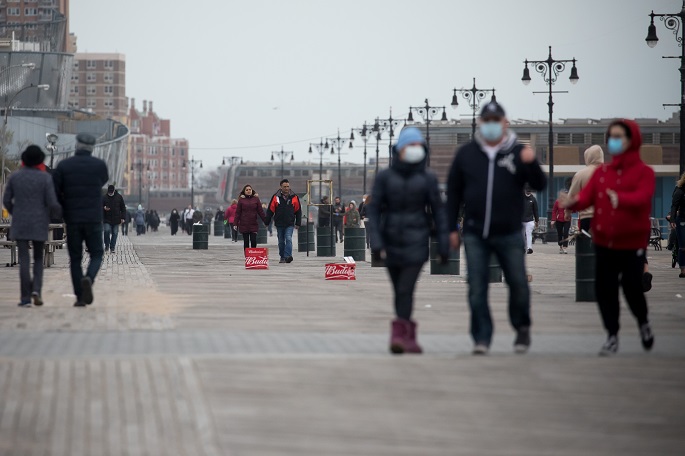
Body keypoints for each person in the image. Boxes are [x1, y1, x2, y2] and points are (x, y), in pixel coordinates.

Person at [447, 101, 546, 355]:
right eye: (487, 120)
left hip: (509, 232)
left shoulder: (517, 152)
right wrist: (450, 228)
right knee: (476, 287)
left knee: (517, 283)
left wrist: (531, 163)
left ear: (504, 123)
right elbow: (454, 193)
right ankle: (481, 337)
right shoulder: (467, 154)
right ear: (480, 123)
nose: (491, 125)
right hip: (475, 232)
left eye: (496, 120)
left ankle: (521, 327)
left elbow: (540, 183)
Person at [561, 119, 655, 356]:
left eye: (619, 137)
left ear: (631, 140)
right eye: (611, 137)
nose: (614, 141)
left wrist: (620, 199)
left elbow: (642, 198)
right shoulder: (602, 173)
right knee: (605, 289)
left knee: (631, 288)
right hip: (605, 240)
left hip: (631, 240)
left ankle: (643, 322)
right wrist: (571, 203)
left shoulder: (644, 173)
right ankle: (612, 335)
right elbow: (586, 198)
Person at [368, 127, 449, 354]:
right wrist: (376, 242)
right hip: (391, 241)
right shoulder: (385, 177)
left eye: (418, 146)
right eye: (410, 145)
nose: (414, 149)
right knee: (399, 290)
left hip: (417, 240)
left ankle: (398, 334)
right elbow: (373, 210)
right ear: (400, 149)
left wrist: (443, 244)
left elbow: (439, 211)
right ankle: (409, 336)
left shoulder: (428, 178)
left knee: (405, 287)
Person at [52, 133, 109, 307]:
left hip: (73, 219)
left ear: (76, 145)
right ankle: (89, 278)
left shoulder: (64, 166)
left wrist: (64, 208)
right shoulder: (99, 165)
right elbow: (103, 181)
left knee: (75, 258)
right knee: (97, 253)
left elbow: (55, 191)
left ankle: (79, 297)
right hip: (93, 218)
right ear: (92, 148)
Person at [2, 145, 62, 307]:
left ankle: (25, 298)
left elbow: (6, 200)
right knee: (38, 258)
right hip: (40, 222)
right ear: (40, 160)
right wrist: (60, 213)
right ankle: (36, 290)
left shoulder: (15, 177)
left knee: (24, 259)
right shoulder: (45, 178)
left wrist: (15, 212)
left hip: (20, 223)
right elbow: (52, 202)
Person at [567, 145, 604, 232]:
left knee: (586, 240)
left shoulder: (581, 174)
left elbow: (572, 196)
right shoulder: (609, 172)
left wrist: (567, 212)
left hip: (587, 217)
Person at [265, 179, 302, 264]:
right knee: (281, 241)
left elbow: (298, 211)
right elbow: (270, 210)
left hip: (290, 223)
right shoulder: (276, 197)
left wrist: (298, 223)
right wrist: (267, 222)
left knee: (288, 238)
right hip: (279, 223)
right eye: (284, 187)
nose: (286, 188)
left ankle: (288, 256)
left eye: (288, 186)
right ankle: (282, 257)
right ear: (280, 187)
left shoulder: (294, 197)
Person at [234, 184, 267, 253]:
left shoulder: (256, 199)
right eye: (247, 190)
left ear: (252, 190)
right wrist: (235, 223)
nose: (248, 191)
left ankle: (253, 255)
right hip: (244, 224)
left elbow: (260, 211)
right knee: (246, 242)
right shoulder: (241, 200)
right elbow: (238, 213)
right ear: (244, 191)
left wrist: (265, 221)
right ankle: (247, 256)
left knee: (253, 240)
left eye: (250, 189)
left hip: (253, 223)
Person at [102, 184, 126, 254]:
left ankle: (112, 247)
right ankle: (107, 245)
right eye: (109, 192)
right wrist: (104, 208)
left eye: (111, 192)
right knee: (106, 231)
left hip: (116, 219)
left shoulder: (119, 197)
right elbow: (100, 207)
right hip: (106, 218)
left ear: (114, 191)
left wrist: (123, 217)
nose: (110, 193)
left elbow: (123, 208)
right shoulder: (104, 197)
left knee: (115, 233)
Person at [670, 172, 685, 278]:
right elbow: (674, 206)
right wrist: (672, 219)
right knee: (683, 246)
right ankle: (683, 270)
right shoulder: (680, 190)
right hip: (682, 220)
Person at [551, 190, 571, 254]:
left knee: (566, 233)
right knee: (560, 233)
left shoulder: (569, 201)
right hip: (559, 220)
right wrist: (553, 219)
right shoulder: (557, 202)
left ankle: (565, 247)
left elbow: (573, 209)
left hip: (567, 219)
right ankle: (560, 246)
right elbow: (554, 211)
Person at [522, 186, 539, 254]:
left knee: (529, 234)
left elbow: (535, 210)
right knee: (522, 234)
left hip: (530, 220)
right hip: (521, 219)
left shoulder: (533, 199)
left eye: (529, 191)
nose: (528, 192)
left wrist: (537, 220)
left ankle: (529, 248)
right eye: (527, 191)